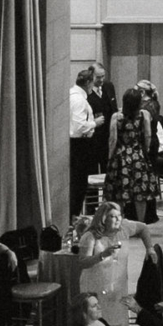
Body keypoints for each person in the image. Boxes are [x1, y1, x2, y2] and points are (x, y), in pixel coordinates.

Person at [106, 86, 162, 223]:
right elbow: (148, 135)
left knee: (118, 193)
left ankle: (117, 223)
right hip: (138, 156)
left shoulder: (117, 117)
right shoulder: (144, 115)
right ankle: (140, 223)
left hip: (120, 156)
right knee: (140, 194)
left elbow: (112, 139)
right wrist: (144, 150)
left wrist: (110, 157)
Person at [69, 67, 102, 215]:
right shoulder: (78, 100)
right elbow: (79, 127)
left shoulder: (75, 96)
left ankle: (74, 218)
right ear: (88, 82)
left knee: (79, 185)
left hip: (78, 146)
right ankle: (74, 219)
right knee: (79, 186)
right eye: (93, 82)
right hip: (79, 146)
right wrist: (95, 123)